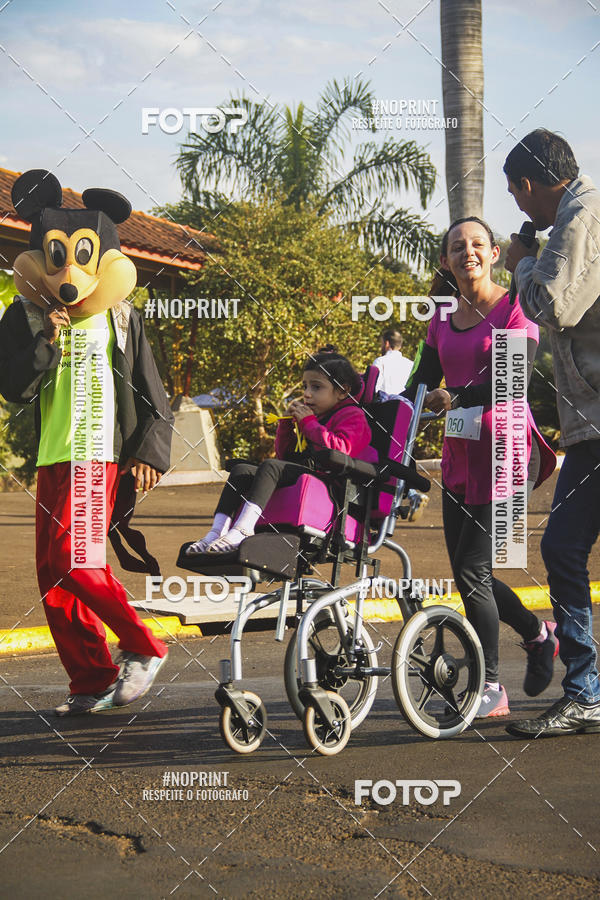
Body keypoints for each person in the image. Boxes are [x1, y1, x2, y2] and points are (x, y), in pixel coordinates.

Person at [0, 169, 172, 717]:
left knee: (76, 561)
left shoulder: (120, 316)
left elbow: (150, 388)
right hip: (52, 456)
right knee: (52, 572)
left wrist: (149, 448)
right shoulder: (26, 315)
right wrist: (46, 337)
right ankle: (91, 676)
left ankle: (144, 645)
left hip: (97, 453)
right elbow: (14, 387)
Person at [403, 216, 557, 718]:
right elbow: (422, 382)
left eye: (476, 244)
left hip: (507, 453)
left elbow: (513, 381)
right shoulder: (442, 314)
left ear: (493, 253)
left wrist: (456, 396)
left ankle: (490, 686)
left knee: (473, 571)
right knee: (473, 574)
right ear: (446, 260)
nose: (465, 252)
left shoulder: (516, 307)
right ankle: (537, 634)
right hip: (459, 456)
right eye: (455, 247)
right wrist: (374, 405)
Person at [503, 130, 600, 738]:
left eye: (517, 194)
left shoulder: (580, 216)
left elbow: (550, 305)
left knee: (562, 549)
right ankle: (586, 689)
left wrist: (521, 267)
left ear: (532, 184)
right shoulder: (580, 212)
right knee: (563, 550)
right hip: (588, 424)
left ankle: (586, 689)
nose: (519, 209)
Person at [186, 349, 377, 554]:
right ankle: (217, 532)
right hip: (309, 474)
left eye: (316, 387)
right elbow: (284, 457)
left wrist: (309, 424)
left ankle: (243, 530)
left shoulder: (353, 415)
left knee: (270, 466)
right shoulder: (316, 416)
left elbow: (341, 449)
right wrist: (286, 426)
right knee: (241, 470)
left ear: (342, 391)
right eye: (305, 386)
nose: (307, 393)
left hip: (331, 482)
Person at [373, 328, 414, 395]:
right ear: (400, 346)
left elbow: (374, 389)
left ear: (387, 343)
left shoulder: (380, 362)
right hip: (405, 404)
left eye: (382, 343)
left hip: (384, 404)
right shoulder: (411, 364)